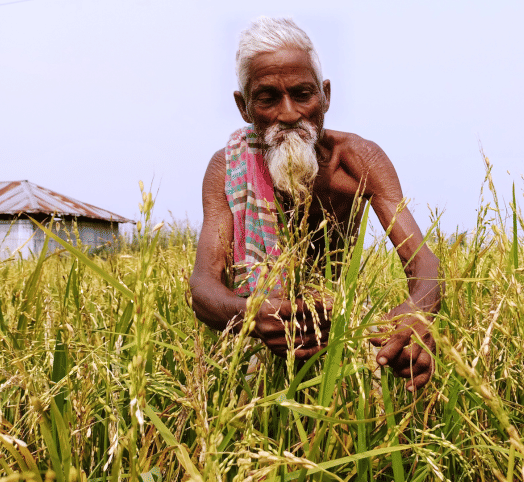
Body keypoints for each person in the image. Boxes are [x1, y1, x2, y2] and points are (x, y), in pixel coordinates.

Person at [189, 17, 441, 391]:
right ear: (244, 107)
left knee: (395, 368)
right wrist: (251, 316)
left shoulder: (358, 161)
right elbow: (204, 287)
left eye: (303, 94)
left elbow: (423, 261)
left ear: (325, 96)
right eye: (268, 97)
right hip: (260, 333)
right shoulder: (228, 167)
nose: (289, 114)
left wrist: (416, 311)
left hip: (338, 321)